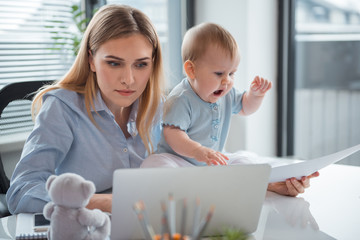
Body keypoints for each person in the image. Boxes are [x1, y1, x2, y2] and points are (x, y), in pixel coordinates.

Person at [6, 4, 165, 214]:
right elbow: (21, 192)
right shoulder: (63, 108)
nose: (129, 80)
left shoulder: (158, 106)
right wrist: (99, 203)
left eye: (141, 64)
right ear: (91, 60)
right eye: (114, 63)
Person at [141, 22, 319, 197]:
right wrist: (198, 151)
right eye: (219, 74)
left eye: (232, 73)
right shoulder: (181, 99)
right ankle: (183, 190)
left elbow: (244, 107)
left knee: (245, 161)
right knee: (155, 163)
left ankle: (267, 183)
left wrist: (255, 95)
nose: (227, 81)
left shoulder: (225, 93)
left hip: (213, 163)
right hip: (181, 163)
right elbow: (173, 134)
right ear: (191, 70)